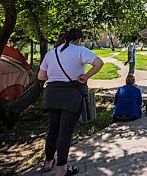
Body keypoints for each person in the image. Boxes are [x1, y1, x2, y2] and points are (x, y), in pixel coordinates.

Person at [38, 28, 104, 176]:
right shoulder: (81, 51)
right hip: (71, 95)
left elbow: (41, 77)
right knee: (65, 132)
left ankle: (48, 162)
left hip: (52, 94)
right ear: (79, 39)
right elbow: (99, 63)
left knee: (53, 129)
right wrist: (86, 76)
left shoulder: (51, 53)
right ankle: (61, 168)